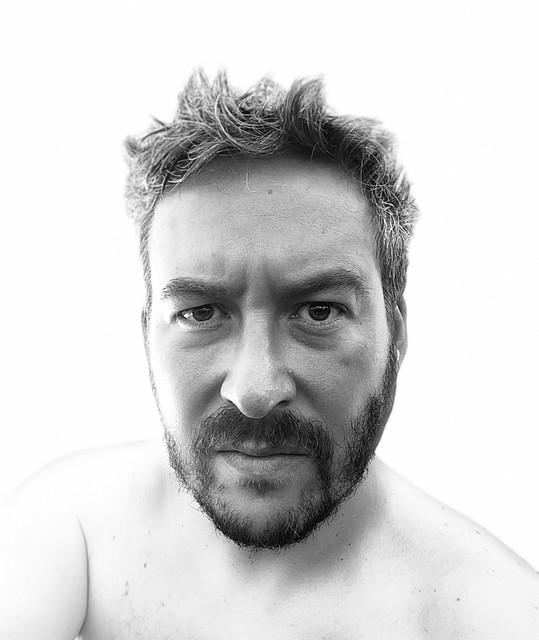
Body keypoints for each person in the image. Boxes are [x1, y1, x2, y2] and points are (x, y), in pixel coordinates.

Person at [1, 71, 537, 640]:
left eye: (319, 311)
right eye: (200, 313)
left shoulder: (494, 619)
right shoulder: (75, 531)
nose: (254, 390)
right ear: (146, 335)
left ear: (395, 334)